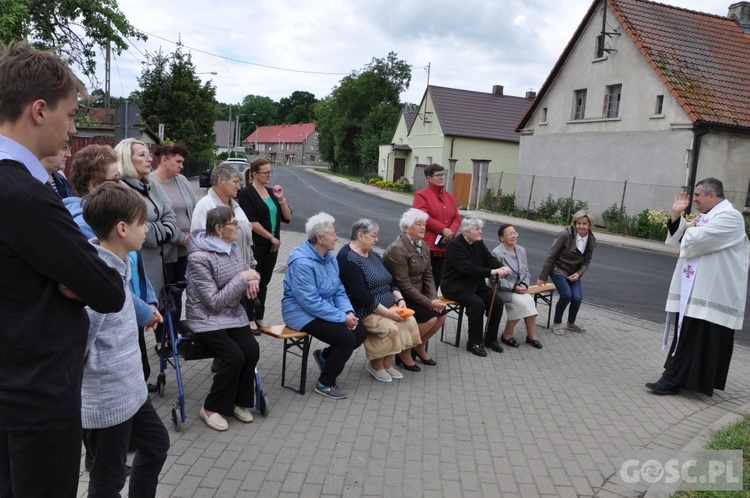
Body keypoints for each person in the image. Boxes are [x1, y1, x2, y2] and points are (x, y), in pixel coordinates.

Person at [0, 41, 125, 497]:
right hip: (38, 398)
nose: (73, 129)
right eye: (71, 115)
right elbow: (108, 289)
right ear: (39, 110)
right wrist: (78, 273)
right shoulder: (25, 195)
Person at [80, 184, 170, 497]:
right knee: (108, 481)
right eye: (141, 223)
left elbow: (124, 301)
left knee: (157, 445)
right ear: (122, 228)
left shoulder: (121, 264)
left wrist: (142, 313)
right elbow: (79, 346)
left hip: (131, 390)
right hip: (107, 402)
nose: (146, 229)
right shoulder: (96, 277)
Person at [65, 144, 163, 393]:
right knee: (135, 376)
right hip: (114, 324)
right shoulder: (87, 228)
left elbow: (134, 265)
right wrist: (145, 312)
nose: (122, 184)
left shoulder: (116, 219)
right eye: (116, 178)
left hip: (131, 311)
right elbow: (105, 284)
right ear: (93, 187)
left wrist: (149, 300)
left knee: (141, 373)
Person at [646, 178, 750, 396]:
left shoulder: (731, 217)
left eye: (698, 195)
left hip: (714, 293)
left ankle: (671, 380)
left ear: (712, 195)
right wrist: (676, 216)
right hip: (696, 289)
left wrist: (685, 229)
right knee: (689, 336)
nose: (694, 200)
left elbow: (699, 239)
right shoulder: (708, 216)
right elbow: (682, 236)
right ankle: (681, 379)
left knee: (698, 337)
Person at [185, 206, 261, 431]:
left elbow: (246, 270)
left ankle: (239, 402)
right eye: (233, 223)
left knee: (251, 350)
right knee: (234, 356)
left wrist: (254, 277)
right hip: (205, 318)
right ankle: (210, 408)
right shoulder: (198, 257)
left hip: (232, 314)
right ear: (219, 229)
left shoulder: (233, 247)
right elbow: (213, 301)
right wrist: (242, 279)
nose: (238, 226)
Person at [281, 213, 367, 399]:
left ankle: (325, 357)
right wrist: (341, 318)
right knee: (346, 338)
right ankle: (325, 383)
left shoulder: (329, 257)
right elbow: (309, 302)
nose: (336, 238)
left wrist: (347, 312)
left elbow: (338, 290)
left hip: (322, 309)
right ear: (320, 238)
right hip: (299, 313)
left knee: (359, 331)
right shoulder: (302, 263)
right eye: (333, 234)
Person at [337, 219, 421, 382]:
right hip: (364, 309)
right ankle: (375, 365)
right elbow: (361, 295)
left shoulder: (374, 254)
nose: (376, 240)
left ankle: (387, 363)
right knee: (390, 327)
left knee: (409, 322)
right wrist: (388, 313)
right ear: (360, 236)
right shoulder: (347, 258)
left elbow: (390, 281)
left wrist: (400, 299)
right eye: (373, 236)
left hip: (388, 305)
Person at [193, 163, 258, 332]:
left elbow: (246, 240)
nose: (239, 186)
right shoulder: (206, 205)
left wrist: (251, 267)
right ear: (221, 181)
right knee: (227, 335)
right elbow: (200, 243)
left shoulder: (235, 207)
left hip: (240, 276)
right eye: (235, 182)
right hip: (219, 282)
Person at [383, 208, 447, 368]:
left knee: (442, 315)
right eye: (418, 224)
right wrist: (429, 303)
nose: (423, 227)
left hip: (419, 295)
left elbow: (428, 275)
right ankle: (405, 351)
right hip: (401, 298)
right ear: (406, 228)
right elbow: (403, 284)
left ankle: (419, 346)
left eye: (424, 224)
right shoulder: (398, 249)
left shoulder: (422, 245)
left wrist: (433, 298)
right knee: (430, 317)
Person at [441, 213, 511, 357]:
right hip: (455, 286)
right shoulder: (454, 245)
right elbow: (467, 268)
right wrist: (492, 272)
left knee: (496, 301)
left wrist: (502, 267)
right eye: (477, 229)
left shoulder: (478, 243)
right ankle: (474, 342)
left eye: (480, 228)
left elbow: (489, 259)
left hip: (474, 285)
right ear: (466, 231)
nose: (480, 231)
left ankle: (490, 339)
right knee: (477, 304)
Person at [116, 138, 178, 301]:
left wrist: (159, 228)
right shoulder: (122, 190)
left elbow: (170, 214)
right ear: (126, 160)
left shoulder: (151, 184)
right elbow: (140, 231)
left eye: (148, 154)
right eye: (142, 155)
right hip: (139, 269)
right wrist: (161, 229)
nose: (149, 159)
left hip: (158, 270)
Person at [238, 158, 292, 328]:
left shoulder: (271, 192)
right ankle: (250, 318)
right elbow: (252, 222)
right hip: (256, 245)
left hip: (272, 246)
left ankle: (260, 316)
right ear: (255, 174)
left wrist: (281, 199)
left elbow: (288, 217)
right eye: (266, 172)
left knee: (265, 282)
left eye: (270, 172)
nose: (269, 175)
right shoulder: (247, 194)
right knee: (253, 281)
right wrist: (271, 237)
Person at [150, 144, 196, 343]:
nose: (181, 166)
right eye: (178, 161)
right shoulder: (150, 183)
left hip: (184, 251)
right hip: (163, 251)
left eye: (182, 162)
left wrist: (192, 237)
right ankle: (162, 339)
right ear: (164, 159)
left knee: (177, 294)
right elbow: (157, 220)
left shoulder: (183, 181)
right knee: (163, 296)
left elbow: (192, 210)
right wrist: (181, 237)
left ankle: (173, 337)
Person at [537, 209, 597, 335]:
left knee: (577, 297)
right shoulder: (565, 234)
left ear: (589, 225)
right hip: (558, 269)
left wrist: (579, 274)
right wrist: (543, 276)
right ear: (574, 223)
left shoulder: (591, 239)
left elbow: (586, 261)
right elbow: (551, 255)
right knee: (566, 295)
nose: (581, 226)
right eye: (578, 223)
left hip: (574, 272)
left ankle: (571, 323)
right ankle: (557, 323)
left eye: (584, 224)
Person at [492, 224, 542, 349]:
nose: (513, 236)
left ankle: (532, 337)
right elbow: (494, 279)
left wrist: (524, 284)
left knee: (529, 301)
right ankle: (507, 335)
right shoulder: (497, 253)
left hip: (520, 288)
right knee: (523, 303)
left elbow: (526, 272)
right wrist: (514, 287)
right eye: (509, 234)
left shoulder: (521, 250)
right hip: (502, 290)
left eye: (515, 233)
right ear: (501, 238)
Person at [412, 163, 461, 290]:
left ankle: (433, 307)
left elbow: (456, 217)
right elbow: (422, 217)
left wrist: (450, 232)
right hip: (427, 247)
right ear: (429, 178)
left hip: (444, 246)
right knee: (423, 283)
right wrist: (442, 229)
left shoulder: (449, 196)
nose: (442, 178)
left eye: (443, 174)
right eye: (438, 175)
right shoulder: (421, 195)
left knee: (436, 281)